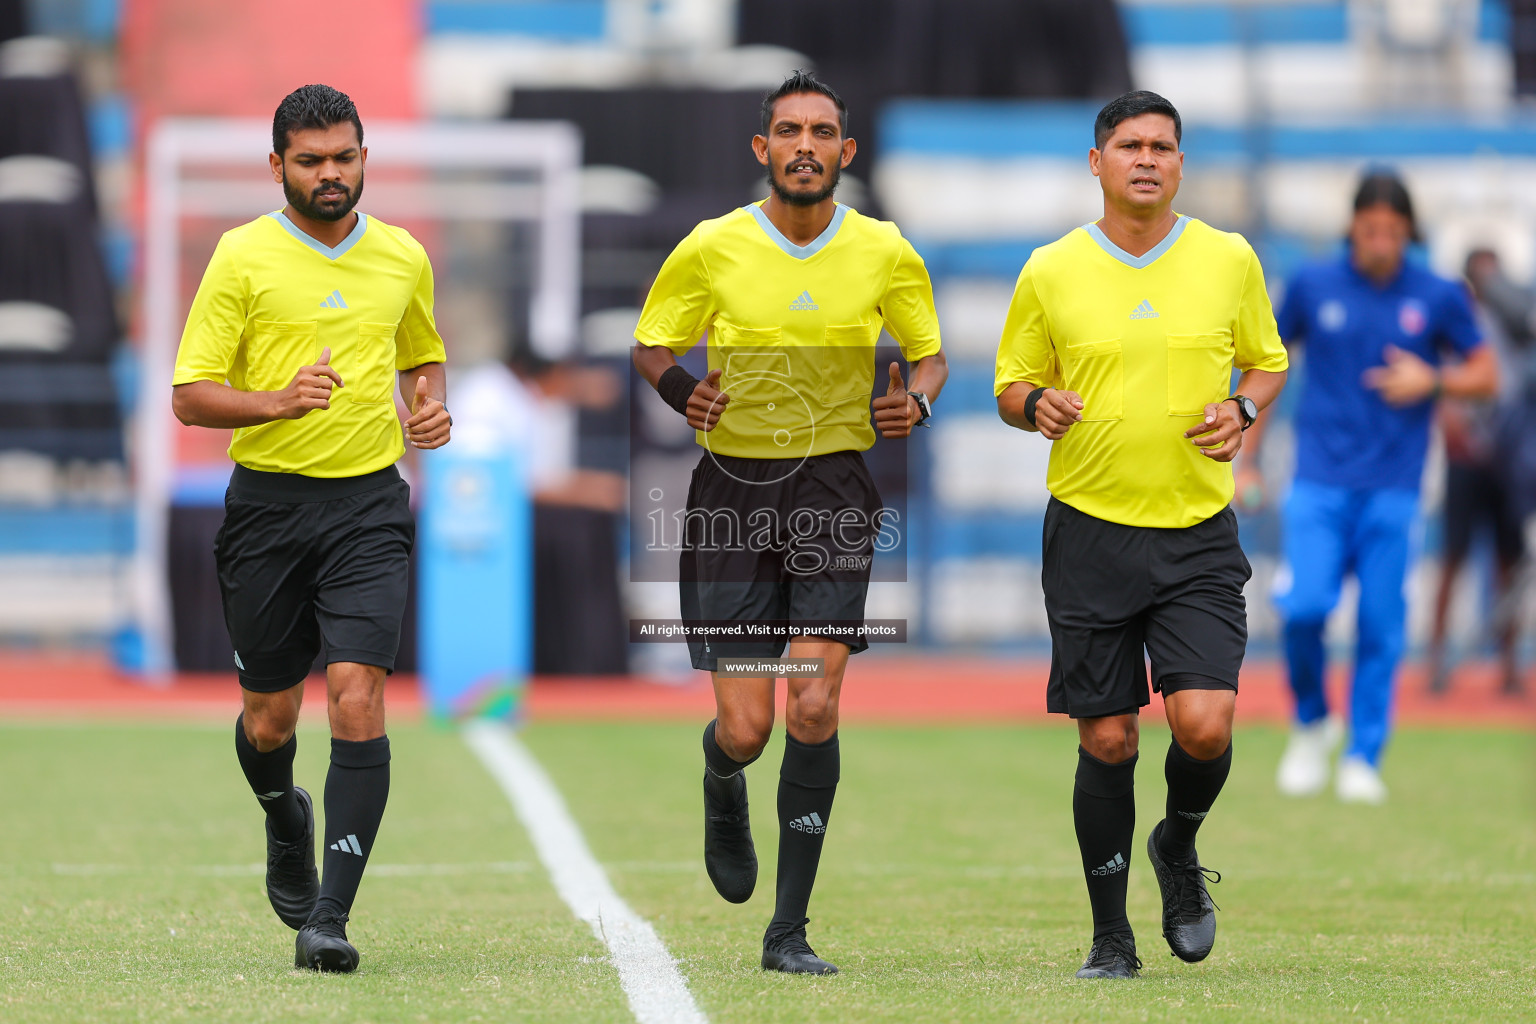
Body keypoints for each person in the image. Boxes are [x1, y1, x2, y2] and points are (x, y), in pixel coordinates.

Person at [631, 70, 947, 975]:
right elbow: (651, 342)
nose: (804, 145)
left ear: (846, 152)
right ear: (761, 149)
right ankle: (721, 776)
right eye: (788, 131)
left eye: (822, 132)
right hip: (732, 491)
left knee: (812, 698)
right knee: (749, 726)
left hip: (835, 493)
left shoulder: (885, 251)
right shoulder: (712, 246)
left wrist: (914, 407)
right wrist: (685, 391)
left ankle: (788, 930)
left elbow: (929, 361)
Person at [994, 90, 1288, 979]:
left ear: (1181, 164)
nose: (1147, 159)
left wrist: (1241, 408)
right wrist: (1034, 405)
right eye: (1129, 146)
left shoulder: (1228, 258)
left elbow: (1267, 364)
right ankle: (1110, 939)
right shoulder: (1051, 269)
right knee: (1109, 740)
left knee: (1203, 726)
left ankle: (1180, 843)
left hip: (1197, 533)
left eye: (1162, 146)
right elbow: (1010, 385)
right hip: (1087, 532)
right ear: (1098, 162)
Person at [170, 84, 451, 972]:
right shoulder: (241, 255)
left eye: (344, 157)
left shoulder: (403, 255)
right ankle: (283, 812)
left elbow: (423, 353)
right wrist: (275, 402)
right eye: (310, 160)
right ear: (278, 166)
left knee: (358, 695)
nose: (330, 174)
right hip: (267, 507)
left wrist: (430, 408)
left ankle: (328, 916)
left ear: (365, 156)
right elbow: (189, 395)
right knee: (268, 718)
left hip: (369, 504)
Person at [1242, 172, 1497, 805]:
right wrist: (1247, 459)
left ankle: (1363, 754)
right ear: (1353, 226)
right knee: (1303, 609)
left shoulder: (1436, 294)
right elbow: (1269, 364)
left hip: (1395, 487)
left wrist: (1433, 379)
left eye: (1393, 229)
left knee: (1382, 626)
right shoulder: (1312, 284)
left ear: (1409, 231)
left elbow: (1486, 373)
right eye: (1370, 227)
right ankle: (1309, 723)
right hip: (1319, 480)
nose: (1381, 239)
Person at [1426, 251, 1527, 696]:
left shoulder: (1517, 321)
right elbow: (1441, 381)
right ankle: (1435, 663)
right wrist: (1451, 424)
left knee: (1510, 561)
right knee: (1454, 560)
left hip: (1507, 460)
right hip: (1466, 456)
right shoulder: (1455, 320)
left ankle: (1509, 666)